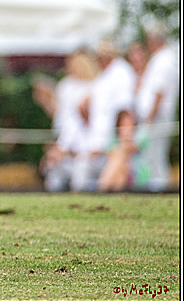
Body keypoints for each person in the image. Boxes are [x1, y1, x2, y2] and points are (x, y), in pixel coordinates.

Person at [73, 39, 136, 192]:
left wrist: (118, 143)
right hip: (97, 141)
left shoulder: (122, 72)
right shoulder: (103, 75)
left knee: (110, 181)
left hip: (112, 142)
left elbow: (125, 112)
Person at [40, 50, 97, 192]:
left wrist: (64, 148)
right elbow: (61, 118)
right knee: (53, 169)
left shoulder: (94, 87)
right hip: (66, 143)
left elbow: (81, 123)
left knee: (80, 169)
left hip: (86, 147)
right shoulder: (65, 86)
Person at [136, 22, 179, 192]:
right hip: (156, 118)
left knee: (155, 157)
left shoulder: (163, 61)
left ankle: (158, 189)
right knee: (153, 157)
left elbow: (159, 93)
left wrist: (149, 118)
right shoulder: (165, 59)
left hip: (157, 119)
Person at [97, 109, 149, 192]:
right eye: (123, 124)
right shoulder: (113, 140)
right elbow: (110, 155)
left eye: (129, 124)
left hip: (136, 173)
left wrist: (125, 139)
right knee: (120, 166)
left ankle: (103, 188)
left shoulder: (140, 137)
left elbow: (131, 149)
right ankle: (113, 194)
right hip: (119, 173)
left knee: (121, 161)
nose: (126, 127)